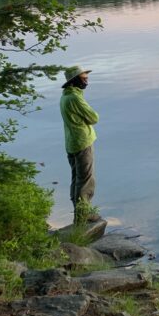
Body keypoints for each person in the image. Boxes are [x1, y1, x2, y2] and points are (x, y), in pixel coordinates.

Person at [60, 65, 101, 222]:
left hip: (71, 143)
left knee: (76, 179)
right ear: (74, 80)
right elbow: (94, 118)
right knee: (86, 180)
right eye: (84, 79)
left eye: (87, 79)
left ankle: (79, 213)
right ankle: (83, 215)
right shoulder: (75, 98)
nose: (87, 82)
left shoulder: (65, 96)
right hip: (83, 142)